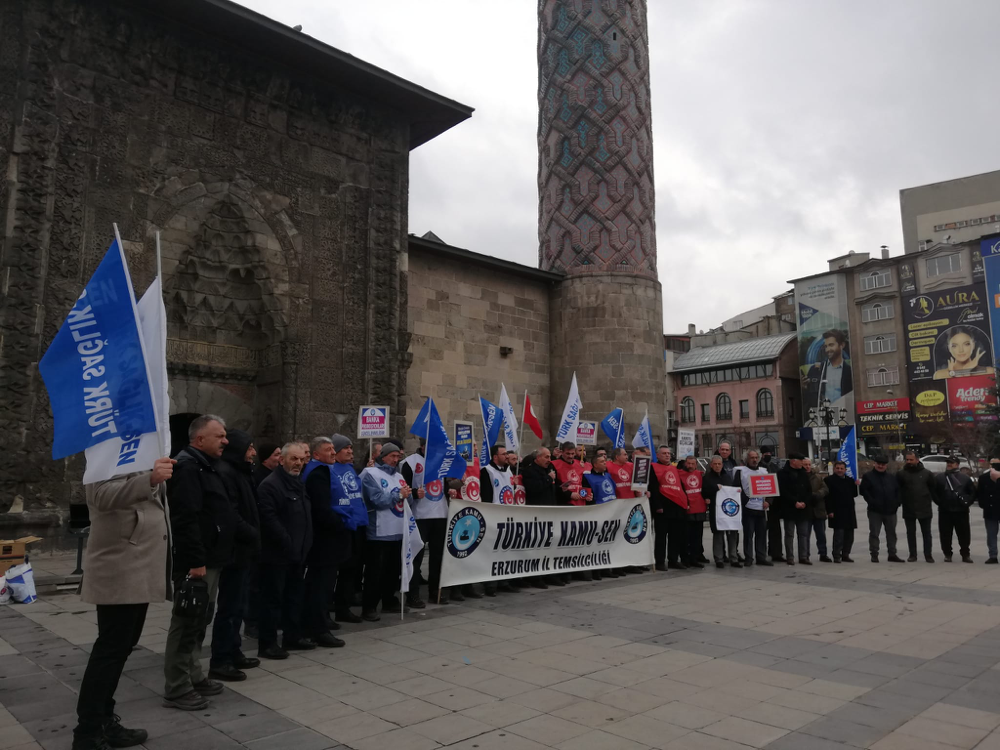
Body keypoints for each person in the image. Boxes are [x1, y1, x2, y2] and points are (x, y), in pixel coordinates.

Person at [73, 458, 174, 750]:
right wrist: (150, 479)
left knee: (121, 646)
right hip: (120, 566)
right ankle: (87, 733)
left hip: (138, 566)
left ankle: (103, 720)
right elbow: (100, 496)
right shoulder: (109, 449)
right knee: (110, 649)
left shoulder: (140, 452)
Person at [163, 415, 242, 710]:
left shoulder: (203, 465)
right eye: (219, 436)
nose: (225, 441)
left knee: (200, 620)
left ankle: (194, 674)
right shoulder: (187, 467)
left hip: (211, 558)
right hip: (198, 562)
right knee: (186, 621)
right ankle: (177, 686)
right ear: (199, 440)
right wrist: (195, 561)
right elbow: (186, 518)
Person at [209, 430, 261, 682]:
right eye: (249, 447)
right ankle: (220, 659)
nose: (253, 452)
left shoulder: (241, 471)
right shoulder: (227, 472)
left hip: (244, 550)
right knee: (229, 608)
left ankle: (234, 650)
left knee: (239, 605)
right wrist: (252, 532)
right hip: (234, 550)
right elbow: (231, 513)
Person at [256, 442, 314, 658]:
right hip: (277, 555)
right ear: (281, 460)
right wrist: (289, 543)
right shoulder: (270, 485)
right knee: (272, 600)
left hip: (297, 554)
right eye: (293, 459)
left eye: (301, 459)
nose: (298, 463)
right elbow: (270, 521)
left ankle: (292, 636)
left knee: (294, 597)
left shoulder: (297, 482)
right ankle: (268, 643)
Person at [299, 437, 351, 648]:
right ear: (316, 455)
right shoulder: (319, 474)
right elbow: (321, 509)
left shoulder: (322, 471)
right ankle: (319, 629)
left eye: (332, 449)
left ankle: (315, 626)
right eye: (328, 450)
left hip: (325, 539)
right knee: (321, 587)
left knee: (320, 585)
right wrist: (342, 522)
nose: (332, 452)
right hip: (324, 541)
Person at [360, 440, 410, 619]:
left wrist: (409, 495)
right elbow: (377, 500)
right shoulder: (370, 474)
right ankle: (369, 607)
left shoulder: (398, 476)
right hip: (379, 532)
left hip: (397, 531)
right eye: (392, 456)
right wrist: (398, 495)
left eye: (398, 456)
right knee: (375, 572)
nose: (396, 460)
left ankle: (389, 601)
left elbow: (406, 502)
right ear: (383, 456)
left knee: (392, 571)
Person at [522, 447, 565, 586]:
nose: (549, 460)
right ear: (537, 458)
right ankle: (536, 577)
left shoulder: (550, 469)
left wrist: (563, 489)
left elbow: (553, 487)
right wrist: (548, 479)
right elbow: (534, 489)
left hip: (551, 511)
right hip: (537, 513)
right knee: (538, 547)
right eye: (546, 457)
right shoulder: (529, 471)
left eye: (549, 457)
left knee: (550, 546)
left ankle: (550, 574)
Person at [650, 445, 689, 571]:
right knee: (661, 536)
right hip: (663, 507)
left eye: (668, 453)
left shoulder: (674, 468)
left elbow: (679, 486)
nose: (667, 455)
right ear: (658, 455)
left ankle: (673, 559)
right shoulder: (653, 468)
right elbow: (653, 488)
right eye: (664, 453)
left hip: (676, 506)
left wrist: (685, 502)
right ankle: (660, 561)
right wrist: (657, 506)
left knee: (675, 536)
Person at [584, 454, 622, 579]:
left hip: (611, 513)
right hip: (598, 513)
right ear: (595, 464)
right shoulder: (588, 478)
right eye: (602, 462)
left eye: (605, 461)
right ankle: (596, 571)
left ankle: (606, 569)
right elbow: (587, 495)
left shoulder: (607, 476)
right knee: (597, 544)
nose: (605, 463)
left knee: (608, 543)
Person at [860, 456, 904, 563]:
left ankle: (892, 554)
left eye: (883, 464)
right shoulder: (868, 476)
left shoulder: (891, 477)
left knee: (891, 533)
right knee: (874, 533)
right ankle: (874, 554)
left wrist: (897, 503)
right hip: (875, 511)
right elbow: (864, 491)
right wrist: (872, 502)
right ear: (874, 464)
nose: (880, 466)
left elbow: (898, 491)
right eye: (878, 464)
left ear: (886, 465)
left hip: (891, 510)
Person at [897, 451, 938, 562]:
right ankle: (912, 554)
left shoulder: (927, 473)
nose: (909, 462)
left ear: (917, 460)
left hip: (924, 507)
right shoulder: (901, 473)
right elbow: (898, 490)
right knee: (910, 533)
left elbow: (933, 489)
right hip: (908, 508)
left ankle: (928, 555)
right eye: (907, 459)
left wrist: (937, 501)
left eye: (911, 459)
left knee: (927, 533)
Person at [934, 456, 974, 563]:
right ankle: (947, 554)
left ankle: (965, 554)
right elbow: (934, 492)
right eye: (948, 463)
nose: (949, 464)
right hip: (945, 511)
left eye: (951, 463)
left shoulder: (965, 478)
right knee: (945, 534)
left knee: (964, 534)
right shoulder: (940, 478)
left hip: (961, 511)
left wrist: (967, 503)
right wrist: (940, 503)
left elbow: (972, 493)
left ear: (957, 464)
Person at [734, 450, 771, 566]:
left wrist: (769, 501)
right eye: (752, 458)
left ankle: (761, 557)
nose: (754, 460)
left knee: (761, 534)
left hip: (761, 508)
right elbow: (736, 488)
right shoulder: (740, 472)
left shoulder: (764, 472)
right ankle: (748, 558)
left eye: (756, 457)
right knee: (748, 534)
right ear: (747, 459)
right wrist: (745, 500)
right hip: (748, 508)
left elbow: (770, 488)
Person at [803, 329, 853, 410]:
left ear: (842, 345)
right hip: (822, 416)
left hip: (844, 414)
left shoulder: (850, 371)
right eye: (826, 346)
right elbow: (808, 400)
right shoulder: (815, 370)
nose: (827, 350)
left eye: (831, 345)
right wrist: (804, 388)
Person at [777, 453, 813, 565]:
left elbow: (809, 490)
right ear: (793, 461)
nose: (802, 463)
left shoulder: (803, 473)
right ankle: (790, 557)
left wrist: (804, 502)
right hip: (789, 508)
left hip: (803, 508)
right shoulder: (782, 474)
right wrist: (794, 502)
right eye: (800, 461)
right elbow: (782, 491)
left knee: (803, 534)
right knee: (789, 534)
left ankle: (803, 556)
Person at [704, 456, 739, 568]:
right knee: (718, 535)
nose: (717, 466)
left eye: (719, 464)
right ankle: (719, 558)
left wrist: (737, 492)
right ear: (711, 465)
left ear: (722, 465)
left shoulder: (727, 477)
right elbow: (704, 491)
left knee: (732, 534)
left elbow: (732, 490)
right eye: (715, 464)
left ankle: (733, 557)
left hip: (729, 510)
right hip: (716, 511)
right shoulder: (707, 478)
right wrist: (714, 488)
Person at [824, 461, 858, 563]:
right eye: (837, 468)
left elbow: (854, 494)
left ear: (845, 470)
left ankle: (846, 554)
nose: (839, 470)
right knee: (839, 535)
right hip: (836, 511)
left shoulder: (850, 480)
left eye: (841, 468)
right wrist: (829, 510)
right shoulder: (828, 480)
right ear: (834, 469)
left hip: (849, 511)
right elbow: (827, 498)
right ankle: (836, 555)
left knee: (849, 535)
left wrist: (857, 485)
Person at [678, 456, 708, 568]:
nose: (690, 466)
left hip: (699, 509)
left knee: (697, 537)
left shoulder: (700, 475)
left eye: (693, 463)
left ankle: (695, 558)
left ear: (696, 464)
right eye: (688, 463)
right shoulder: (679, 474)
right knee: (686, 537)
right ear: (685, 463)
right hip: (687, 509)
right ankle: (685, 559)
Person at [802, 458, 831, 562]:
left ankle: (823, 554)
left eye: (809, 464)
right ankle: (805, 555)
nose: (807, 466)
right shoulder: (799, 477)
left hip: (819, 509)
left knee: (821, 534)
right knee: (805, 535)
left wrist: (817, 495)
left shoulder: (818, 477)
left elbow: (825, 489)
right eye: (805, 464)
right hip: (806, 510)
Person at [977, 456, 1000, 564]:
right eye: (993, 464)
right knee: (991, 534)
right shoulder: (983, 478)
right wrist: (984, 505)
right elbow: (980, 494)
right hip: (990, 511)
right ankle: (993, 555)